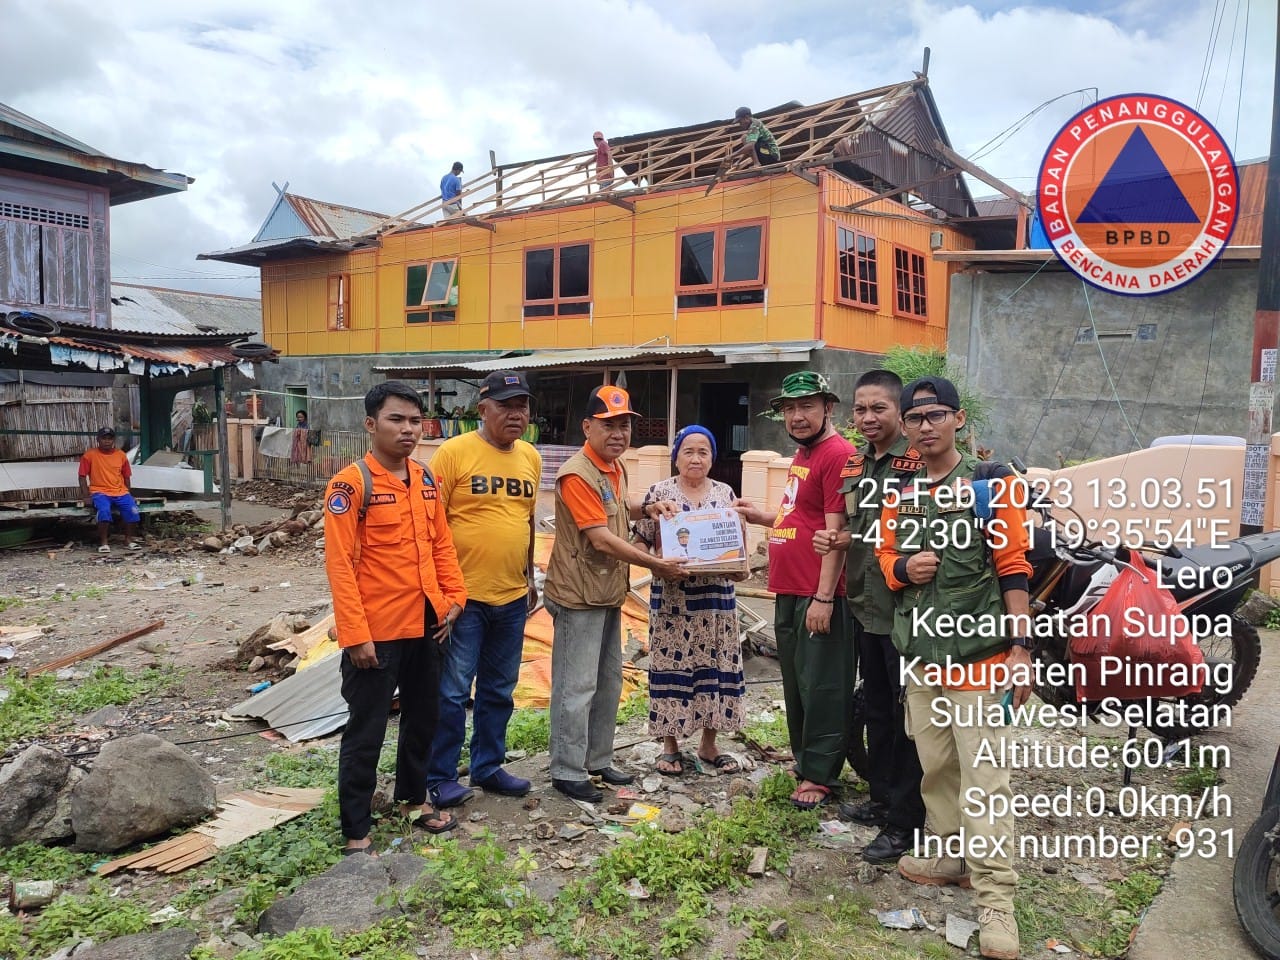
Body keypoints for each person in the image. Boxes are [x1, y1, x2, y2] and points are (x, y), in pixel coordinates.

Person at [875, 376, 1031, 960]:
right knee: (937, 766)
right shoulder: (901, 490)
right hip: (922, 658)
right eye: (916, 418)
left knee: (986, 781)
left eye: (936, 415)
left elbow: (1013, 570)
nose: (925, 426)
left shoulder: (990, 489)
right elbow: (885, 556)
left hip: (981, 661)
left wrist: (1022, 649)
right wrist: (901, 569)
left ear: (958, 420)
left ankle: (997, 901)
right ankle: (950, 855)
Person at [324, 381, 468, 854]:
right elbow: (340, 565)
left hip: (428, 627)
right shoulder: (350, 485)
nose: (409, 430)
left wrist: (453, 601)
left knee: (424, 721)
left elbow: (441, 546)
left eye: (415, 421)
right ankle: (356, 830)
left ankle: (412, 800)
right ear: (371, 424)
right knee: (365, 733)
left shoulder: (426, 479)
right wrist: (355, 635)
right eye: (396, 420)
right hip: (376, 634)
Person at [545, 385, 686, 803]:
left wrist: (649, 509)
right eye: (609, 426)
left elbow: (617, 511)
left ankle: (598, 759)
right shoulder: (577, 473)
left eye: (624, 425)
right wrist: (657, 565)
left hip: (606, 592)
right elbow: (601, 538)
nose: (619, 434)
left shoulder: (612, 469)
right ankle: (568, 770)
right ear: (587, 426)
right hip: (577, 596)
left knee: (607, 681)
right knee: (577, 686)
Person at [814, 370, 926, 865]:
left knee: (909, 720)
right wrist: (841, 540)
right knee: (878, 710)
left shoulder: (921, 465)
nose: (867, 418)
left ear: (900, 412)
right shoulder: (856, 467)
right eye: (860, 410)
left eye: (878, 408)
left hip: (908, 613)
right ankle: (883, 798)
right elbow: (865, 533)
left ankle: (907, 821)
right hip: (866, 607)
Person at [734, 372, 854, 809]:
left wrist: (823, 598)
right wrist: (764, 517)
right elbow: (803, 516)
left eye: (807, 406)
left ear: (828, 408)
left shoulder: (837, 454)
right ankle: (807, 761)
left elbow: (837, 533)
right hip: (790, 589)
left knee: (823, 686)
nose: (797, 416)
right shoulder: (805, 454)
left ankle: (821, 775)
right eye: (789, 408)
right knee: (799, 685)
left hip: (818, 593)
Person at [426, 371, 542, 809]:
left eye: (523, 406)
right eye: (507, 406)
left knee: (498, 688)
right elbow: (430, 525)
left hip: (512, 597)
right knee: (453, 691)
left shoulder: (529, 457)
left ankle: (488, 766)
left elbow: (527, 522)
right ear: (483, 410)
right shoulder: (452, 454)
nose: (517, 415)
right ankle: (439, 776)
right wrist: (441, 593)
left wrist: (530, 578)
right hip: (462, 600)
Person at [634, 425, 746, 777]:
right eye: (688, 451)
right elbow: (639, 544)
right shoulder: (660, 493)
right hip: (673, 602)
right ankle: (670, 748)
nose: (696, 459)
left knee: (714, 668)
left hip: (716, 603)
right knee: (672, 669)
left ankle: (709, 744)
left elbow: (738, 552)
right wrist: (657, 565)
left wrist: (738, 568)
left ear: (712, 458)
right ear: (676, 456)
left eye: (704, 452)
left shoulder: (726, 494)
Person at [78, 427, 141, 554]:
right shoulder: (89, 455)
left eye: (110, 438)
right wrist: (86, 496)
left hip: (120, 491)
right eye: (104, 438)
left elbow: (126, 476)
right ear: (98, 440)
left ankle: (128, 540)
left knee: (133, 510)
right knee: (104, 511)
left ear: (114, 440)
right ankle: (104, 543)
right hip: (100, 492)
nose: (107, 441)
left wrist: (128, 493)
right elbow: (82, 476)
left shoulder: (121, 455)